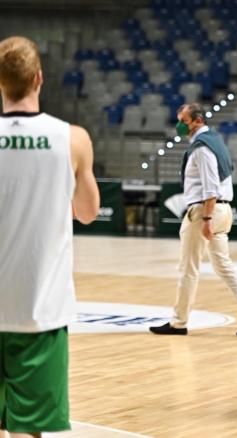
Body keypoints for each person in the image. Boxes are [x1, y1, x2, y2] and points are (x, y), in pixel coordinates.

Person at [0, 36, 100, 438]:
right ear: (39, 78)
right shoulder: (72, 139)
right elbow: (89, 212)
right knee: (30, 429)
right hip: (39, 309)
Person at [150, 103, 237, 337]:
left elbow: (211, 187)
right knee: (223, 265)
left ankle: (178, 322)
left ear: (197, 121)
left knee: (188, 267)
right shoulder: (215, 141)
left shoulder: (202, 148)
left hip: (205, 210)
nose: (180, 125)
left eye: (183, 120)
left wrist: (206, 218)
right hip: (223, 211)